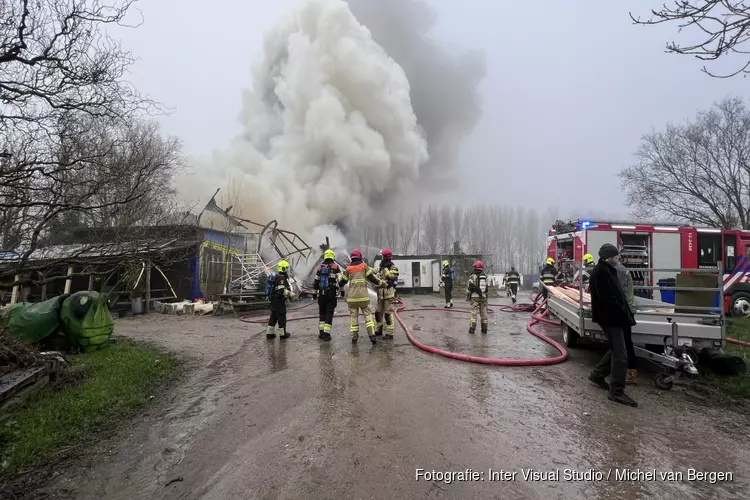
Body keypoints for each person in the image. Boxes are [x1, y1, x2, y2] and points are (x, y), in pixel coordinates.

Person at [588, 244, 638, 407]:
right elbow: (607, 300)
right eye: (616, 256)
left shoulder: (608, 270)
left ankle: (597, 374)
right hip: (611, 318)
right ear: (609, 258)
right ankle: (616, 391)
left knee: (618, 348)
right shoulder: (601, 273)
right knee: (621, 355)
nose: (619, 258)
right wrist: (620, 313)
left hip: (615, 317)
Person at [338, 249, 385, 344]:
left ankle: (354, 337)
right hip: (364, 297)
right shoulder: (364, 266)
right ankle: (372, 336)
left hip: (352, 299)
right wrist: (381, 283)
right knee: (368, 316)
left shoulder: (348, 269)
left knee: (354, 317)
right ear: (360, 256)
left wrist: (339, 277)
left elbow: (342, 283)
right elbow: (372, 279)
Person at [615, 257, 639, 385]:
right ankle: (629, 372)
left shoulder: (619, 271)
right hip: (627, 309)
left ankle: (630, 373)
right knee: (624, 341)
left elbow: (620, 292)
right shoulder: (622, 270)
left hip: (625, 310)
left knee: (624, 342)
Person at [312, 249, 342, 341]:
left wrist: (314, 294)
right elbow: (341, 280)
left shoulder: (320, 268)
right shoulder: (335, 266)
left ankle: (321, 332)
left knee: (322, 313)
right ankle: (326, 334)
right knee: (329, 313)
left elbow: (316, 282)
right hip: (331, 294)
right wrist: (342, 291)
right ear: (332, 256)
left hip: (321, 294)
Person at [266, 260, 296, 339]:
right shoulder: (282, 278)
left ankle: (269, 334)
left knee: (274, 316)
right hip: (278, 300)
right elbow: (281, 290)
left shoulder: (276, 276)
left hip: (273, 300)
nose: (287, 270)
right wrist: (290, 294)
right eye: (286, 268)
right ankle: (283, 334)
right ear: (283, 269)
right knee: (281, 316)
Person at [375, 248, 399, 339]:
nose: (381, 257)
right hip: (380, 294)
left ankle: (390, 333)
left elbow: (393, 277)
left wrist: (386, 270)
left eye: (382, 255)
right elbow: (377, 274)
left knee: (388, 314)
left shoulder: (392, 266)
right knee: (378, 312)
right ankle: (379, 329)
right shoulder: (381, 266)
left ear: (385, 256)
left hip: (388, 295)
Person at [466, 260, 489, 334]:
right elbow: (487, 288)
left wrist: (468, 296)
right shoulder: (485, 276)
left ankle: (472, 329)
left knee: (473, 313)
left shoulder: (472, 276)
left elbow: (469, 288)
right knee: (484, 313)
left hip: (474, 298)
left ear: (476, 267)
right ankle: (484, 329)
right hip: (483, 298)